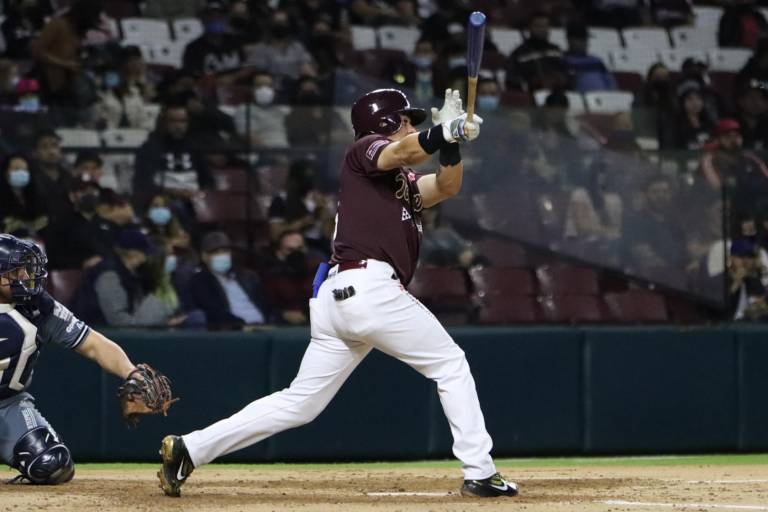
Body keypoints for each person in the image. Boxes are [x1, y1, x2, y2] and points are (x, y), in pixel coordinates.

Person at [157, 88, 518, 499]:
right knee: (451, 364)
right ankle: (480, 471)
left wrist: (451, 142)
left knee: (300, 403)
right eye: (406, 119)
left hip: (341, 299)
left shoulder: (399, 182)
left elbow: (447, 187)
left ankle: (190, 448)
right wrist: (443, 130)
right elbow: (399, 153)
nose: (412, 125)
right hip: (369, 288)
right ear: (385, 124)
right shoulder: (364, 150)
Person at [0, 233, 147, 484]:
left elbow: (92, 344)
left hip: (7, 405)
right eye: (16, 271)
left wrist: (132, 373)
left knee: (52, 465)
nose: (25, 276)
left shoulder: (37, 304)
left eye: (25, 269)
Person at [72, 227, 183, 327]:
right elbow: (119, 322)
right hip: (97, 335)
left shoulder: (129, 273)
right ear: (135, 254)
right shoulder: (109, 276)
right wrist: (161, 323)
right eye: (145, 252)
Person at [132, 102, 213, 215]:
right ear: (163, 122)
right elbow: (143, 182)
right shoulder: (150, 148)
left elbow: (208, 180)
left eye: (182, 121)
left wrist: (201, 193)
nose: (178, 126)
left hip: (195, 201)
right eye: (173, 121)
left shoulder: (194, 147)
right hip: (162, 201)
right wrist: (174, 192)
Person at [188, 231, 269, 330]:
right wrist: (240, 326)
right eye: (216, 252)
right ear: (204, 256)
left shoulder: (248, 276)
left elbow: (266, 304)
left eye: (225, 251)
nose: (222, 255)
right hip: (235, 331)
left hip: (264, 326)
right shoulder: (199, 282)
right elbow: (214, 312)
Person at [506, 11, 567, 92]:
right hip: (530, 95)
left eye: (545, 26)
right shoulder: (519, 53)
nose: (542, 29)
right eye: (538, 26)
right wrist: (533, 82)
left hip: (557, 94)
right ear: (530, 27)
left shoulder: (556, 50)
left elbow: (565, 73)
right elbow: (511, 79)